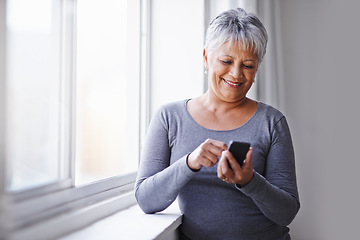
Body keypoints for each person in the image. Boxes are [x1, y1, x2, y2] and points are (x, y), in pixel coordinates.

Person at [135, 8, 300, 240]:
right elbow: (146, 200)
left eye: (248, 65)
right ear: (205, 58)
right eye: (226, 61)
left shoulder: (272, 122)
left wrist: (249, 181)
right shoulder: (169, 118)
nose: (236, 74)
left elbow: (286, 212)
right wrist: (190, 163)